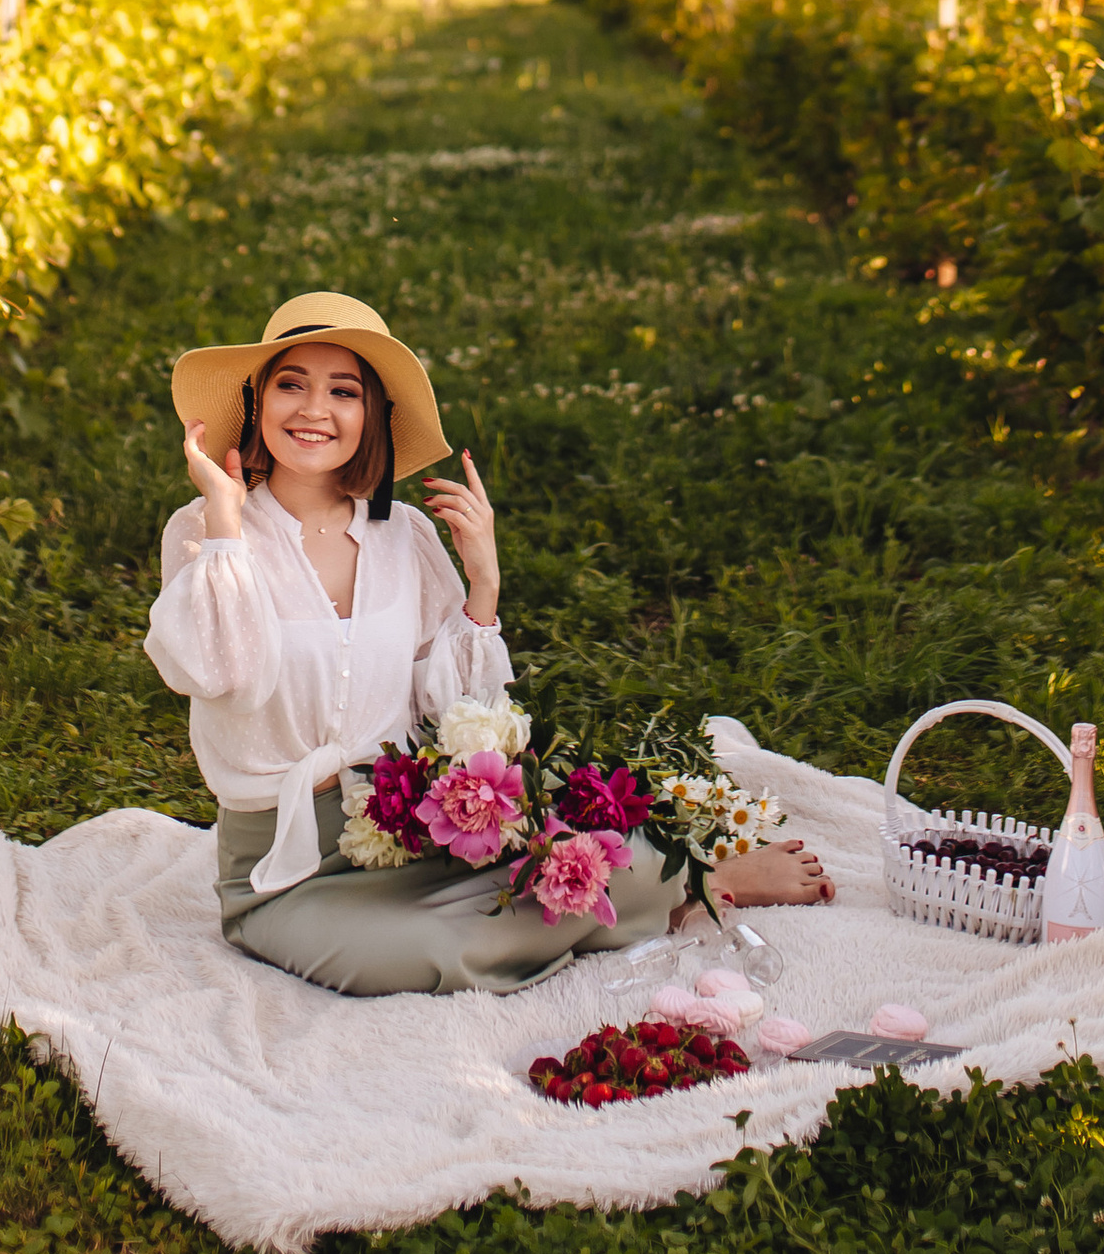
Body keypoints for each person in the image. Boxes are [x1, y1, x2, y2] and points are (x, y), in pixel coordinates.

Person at [145, 289, 832, 998]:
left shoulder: (400, 535)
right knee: (429, 949)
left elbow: (454, 705)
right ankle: (675, 897)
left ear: (372, 417)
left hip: (403, 823)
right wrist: (227, 527)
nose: (314, 410)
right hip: (281, 872)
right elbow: (221, 672)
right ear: (258, 404)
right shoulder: (206, 531)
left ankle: (689, 884)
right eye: (292, 385)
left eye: (342, 391)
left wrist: (483, 582)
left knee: (601, 860)